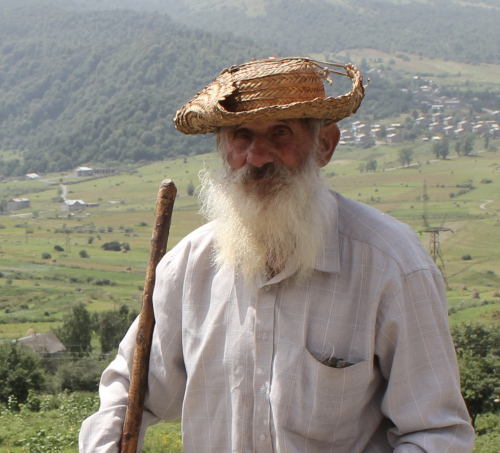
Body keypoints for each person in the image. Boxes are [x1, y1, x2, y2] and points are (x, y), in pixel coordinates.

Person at [80, 57, 474, 452]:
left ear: (325, 145)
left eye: (281, 133)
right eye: (241, 134)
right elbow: (129, 392)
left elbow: (435, 434)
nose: (257, 156)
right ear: (223, 148)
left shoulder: (392, 265)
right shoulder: (188, 267)